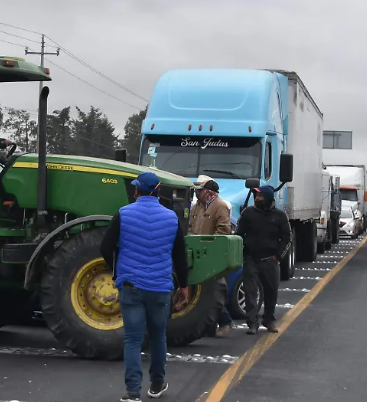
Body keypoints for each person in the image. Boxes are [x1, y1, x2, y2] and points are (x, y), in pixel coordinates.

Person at [100, 172, 189, 402]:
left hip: (131, 285)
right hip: (160, 287)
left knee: (132, 339)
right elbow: (180, 255)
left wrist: (116, 268)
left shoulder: (123, 213)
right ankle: (157, 385)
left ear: (137, 190)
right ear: (158, 192)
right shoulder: (171, 218)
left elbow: (105, 246)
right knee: (159, 336)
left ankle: (132, 392)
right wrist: (184, 286)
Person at [236, 185, 291, 335]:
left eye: (260, 196)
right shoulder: (248, 213)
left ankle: (269, 320)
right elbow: (238, 234)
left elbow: (287, 238)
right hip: (251, 259)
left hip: (270, 260)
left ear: (267, 198)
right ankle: (252, 323)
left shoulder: (280, 216)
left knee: (271, 292)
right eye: (256, 195)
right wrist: (239, 254)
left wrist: (278, 255)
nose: (257, 198)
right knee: (250, 292)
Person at [189, 175, 234, 337]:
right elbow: (191, 226)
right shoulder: (197, 206)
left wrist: (209, 244)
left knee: (213, 290)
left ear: (209, 192)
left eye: (199, 190)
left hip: (212, 253)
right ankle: (212, 324)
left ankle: (225, 321)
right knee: (203, 291)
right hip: (197, 252)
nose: (196, 193)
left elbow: (223, 230)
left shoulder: (220, 206)